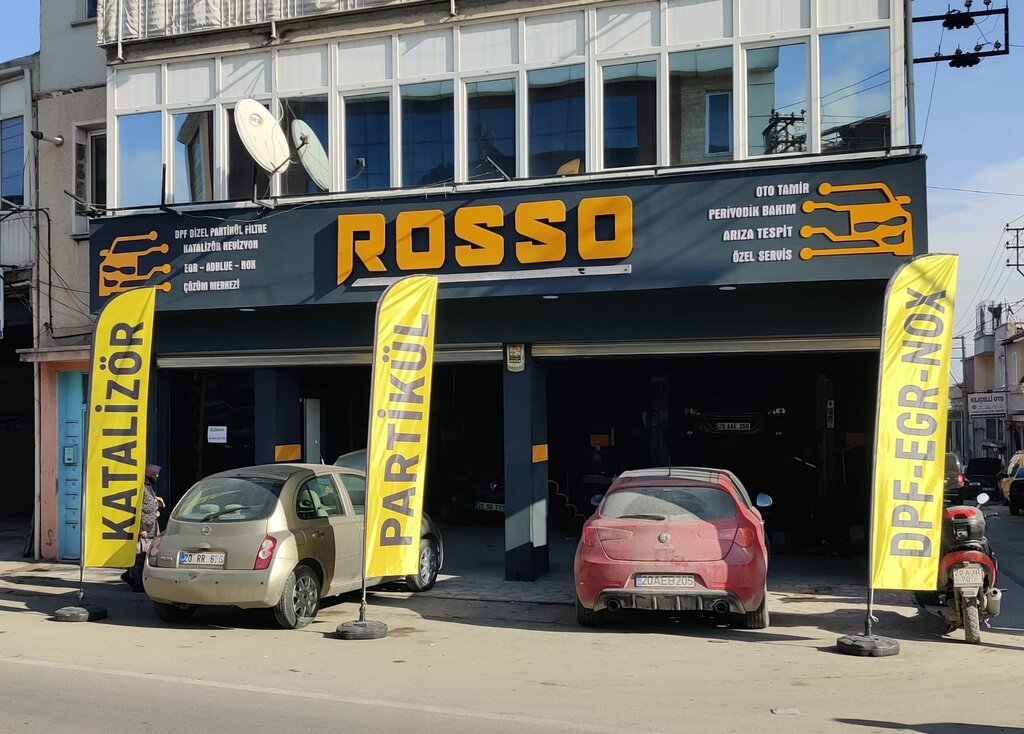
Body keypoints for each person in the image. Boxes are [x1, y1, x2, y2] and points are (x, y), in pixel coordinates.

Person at [121, 465, 163, 591]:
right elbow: (136, 508)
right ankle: (136, 581)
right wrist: (141, 528)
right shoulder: (140, 488)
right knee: (140, 555)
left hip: (151, 527)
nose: (157, 476)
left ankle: (130, 576)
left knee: (145, 554)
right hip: (144, 528)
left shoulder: (148, 486)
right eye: (154, 474)